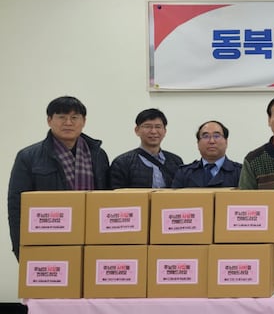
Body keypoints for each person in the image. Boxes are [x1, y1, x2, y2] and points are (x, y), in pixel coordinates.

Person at [7, 96, 110, 259]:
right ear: (49, 120)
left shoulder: (97, 154)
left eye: (74, 118)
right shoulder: (28, 156)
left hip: (91, 239)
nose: (68, 123)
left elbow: (107, 200)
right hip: (47, 238)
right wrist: (20, 248)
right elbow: (16, 206)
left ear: (83, 121)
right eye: (61, 117)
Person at [109, 108, 183, 189]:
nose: (153, 131)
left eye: (158, 127)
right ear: (137, 130)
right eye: (148, 126)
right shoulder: (122, 163)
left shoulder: (176, 161)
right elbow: (116, 196)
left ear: (165, 131)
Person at [172, 120, 242, 188]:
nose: (211, 141)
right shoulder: (184, 173)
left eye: (216, 136)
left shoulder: (240, 172)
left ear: (226, 142)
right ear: (198, 143)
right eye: (206, 136)